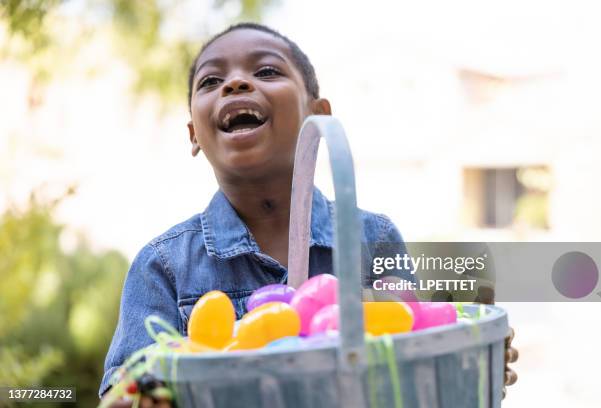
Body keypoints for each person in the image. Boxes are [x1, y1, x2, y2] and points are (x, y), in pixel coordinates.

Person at [101, 23, 517, 407]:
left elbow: (412, 367)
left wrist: (468, 358)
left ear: (317, 115)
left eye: (266, 71)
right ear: (194, 132)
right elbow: (124, 390)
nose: (236, 82)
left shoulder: (372, 237)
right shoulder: (164, 266)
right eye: (211, 80)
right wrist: (140, 398)